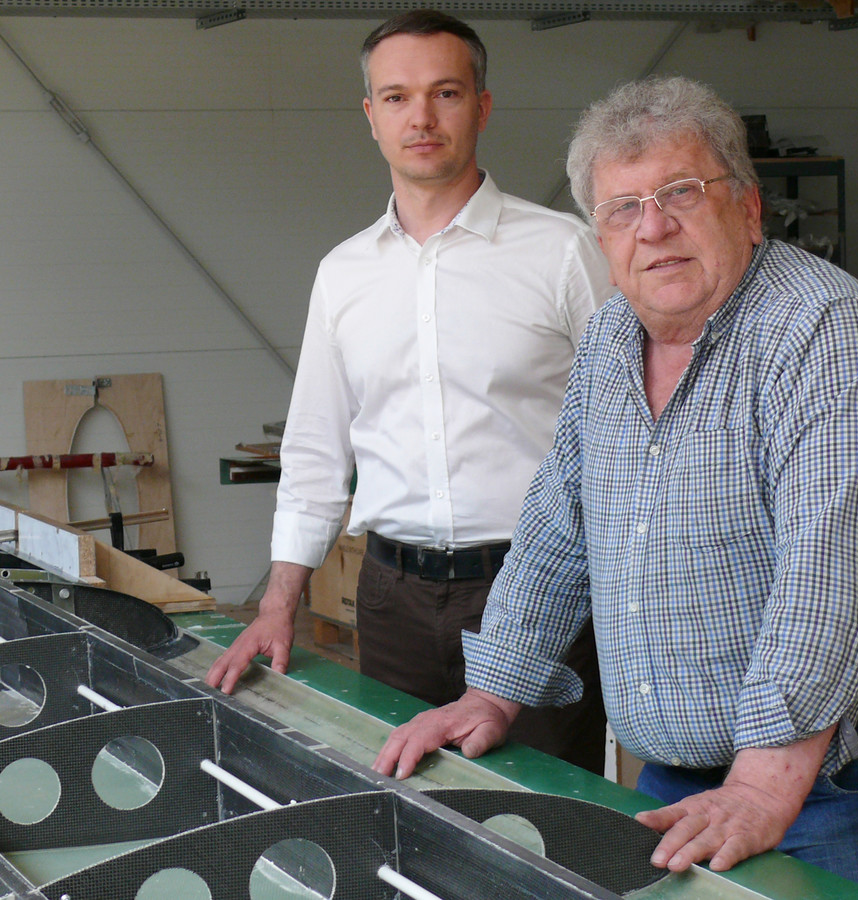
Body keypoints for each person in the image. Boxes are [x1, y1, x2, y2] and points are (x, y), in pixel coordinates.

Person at [374, 75, 858, 900]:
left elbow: (827, 579)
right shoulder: (610, 338)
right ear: (601, 235)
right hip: (687, 770)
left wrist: (761, 786)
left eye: (682, 193)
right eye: (623, 208)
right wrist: (493, 694)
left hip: (847, 772)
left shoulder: (828, 334)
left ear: (749, 207)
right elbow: (559, 527)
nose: (653, 227)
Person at [205, 10, 610, 774]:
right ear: (371, 116)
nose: (420, 117)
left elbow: (632, 430)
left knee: (547, 812)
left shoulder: (563, 253)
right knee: (404, 807)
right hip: (390, 599)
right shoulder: (344, 275)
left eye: (445, 93)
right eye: (396, 97)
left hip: (535, 593)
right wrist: (277, 604)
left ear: (482, 106)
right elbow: (316, 451)